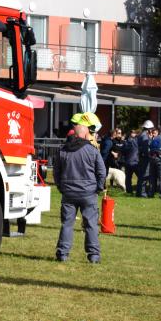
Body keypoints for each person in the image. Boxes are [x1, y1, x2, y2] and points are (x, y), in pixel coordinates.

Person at [54, 112, 106, 263]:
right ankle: (93, 255)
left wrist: (61, 186)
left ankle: (63, 254)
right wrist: (98, 187)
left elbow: (56, 172)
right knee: (91, 225)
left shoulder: (62, 150)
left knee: (67, 224)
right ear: (84, 134)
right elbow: (101, 172)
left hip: (68, 193)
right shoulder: (92, 150)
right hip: (88, 193)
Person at [136, 120, 155, 197]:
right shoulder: (144, 136)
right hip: (145, 158)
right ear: (149, 129)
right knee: (144, 176)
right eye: (151, 128)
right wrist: (149, 155)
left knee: (141, 175)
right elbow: (145, 148)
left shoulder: (142, 135)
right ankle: (142, 193)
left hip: (141, 157)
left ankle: (139, 192)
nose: (152, 130)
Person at [122, 129, 140, 195]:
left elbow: (123, 151)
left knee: (128, 178)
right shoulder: (136, 141)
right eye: (134, 133)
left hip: (127, 161)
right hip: (135, 162)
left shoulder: (125, 141)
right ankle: (139, 190)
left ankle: (129, 191)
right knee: (140, 176)